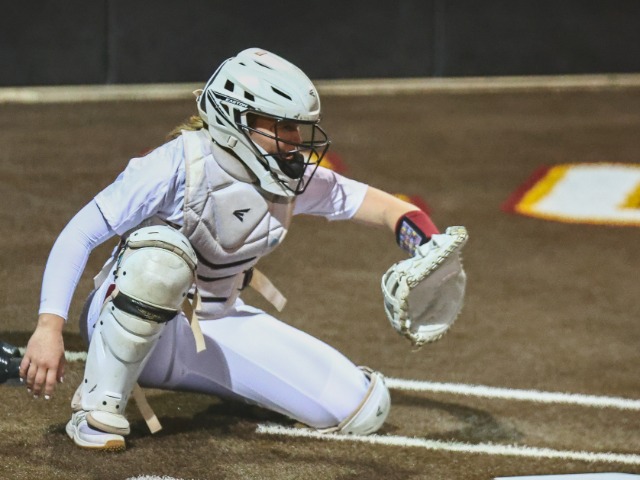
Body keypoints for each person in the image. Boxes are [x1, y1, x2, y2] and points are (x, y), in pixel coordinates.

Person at [20, 48, 441, 451]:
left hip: (215, 323)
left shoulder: (288, 178)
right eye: (284, 126)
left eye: (298, 128)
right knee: (160, 261)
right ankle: (96, 411)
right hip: (125, 313)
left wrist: (428, 244)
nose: (297, 140)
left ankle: (241, 385)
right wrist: (48, 328)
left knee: (363, 409)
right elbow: (79, 234)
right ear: (237, 119)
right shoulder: (175, 165)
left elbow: (389, 209)